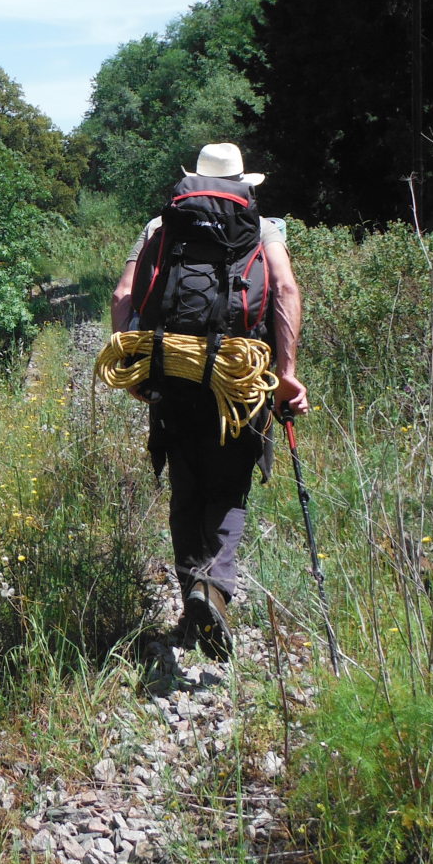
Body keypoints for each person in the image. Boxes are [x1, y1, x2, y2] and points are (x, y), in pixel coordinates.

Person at [109, 142, 308, 659]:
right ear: (245, 181)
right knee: (229, 487)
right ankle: (212, 588)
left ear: (194, 179)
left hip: (173, 377)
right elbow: (284, 292)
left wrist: (136, 362)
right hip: (240, 384)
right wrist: (286, 376)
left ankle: (191, 600)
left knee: (187, 487)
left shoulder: (160, 226)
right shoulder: (264, 228)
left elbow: (123, 295)